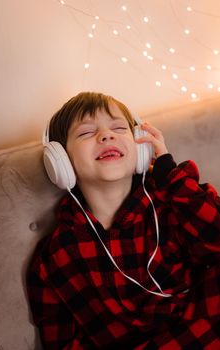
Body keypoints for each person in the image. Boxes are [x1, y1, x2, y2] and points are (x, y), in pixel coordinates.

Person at [27, 92, 220, 349]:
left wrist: (169, 174)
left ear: (141, 149)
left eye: (119, 128)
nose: (107, 135)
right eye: (86, 133)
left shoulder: (174, 201)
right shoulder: (55, 257)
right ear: (60, 162)